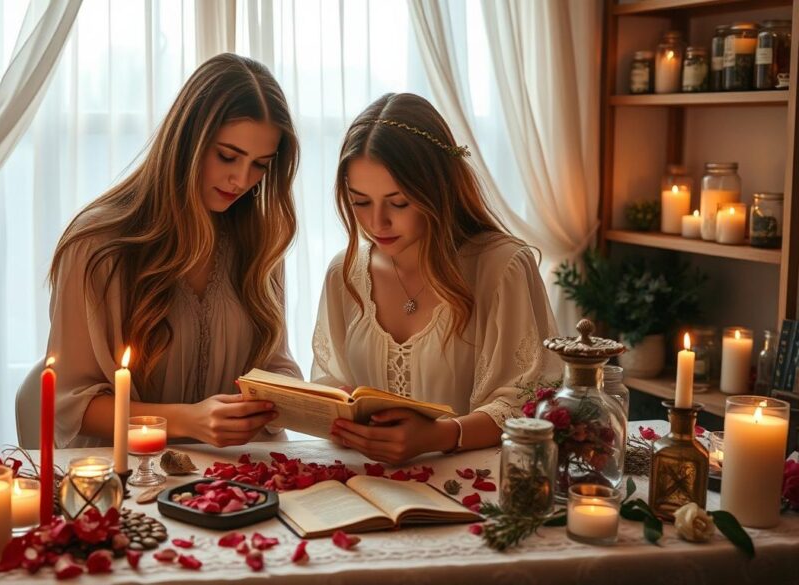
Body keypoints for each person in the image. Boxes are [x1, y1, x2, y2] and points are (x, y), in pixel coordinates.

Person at [43, 53, 301, 449]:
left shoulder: (260, 241)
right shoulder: (96, 246)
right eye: (227, 156)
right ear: (187, 141)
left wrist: (320, 402)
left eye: (260, 165)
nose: (242, 180)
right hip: (127, 479)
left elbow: (274, 364)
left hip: (237, 480)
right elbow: (69, 406)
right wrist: (187, 421)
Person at [312, 93, 560, 464]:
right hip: (363, 489)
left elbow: (531, 402)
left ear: (438, 190)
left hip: (480, 492)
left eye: (398, 203)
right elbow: (329, 383)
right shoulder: (345, 274)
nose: (377, 223)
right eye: (360, 202)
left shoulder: (502, 268)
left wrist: (443, 435)